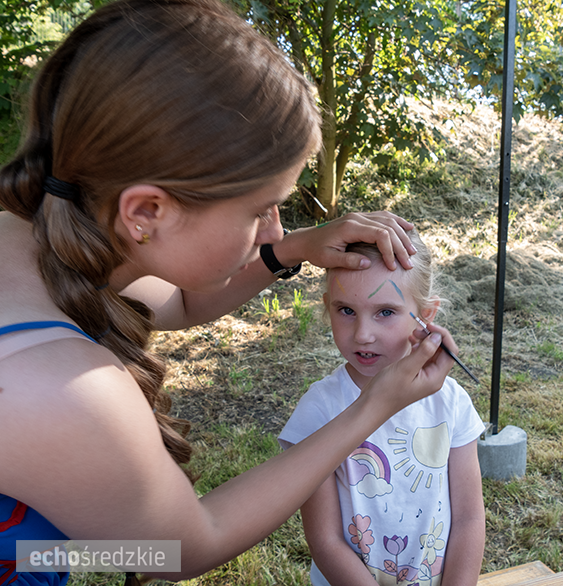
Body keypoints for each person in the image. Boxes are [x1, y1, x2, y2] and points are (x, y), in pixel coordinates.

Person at [0, 1, 459, 584]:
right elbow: (181, 550)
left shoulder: (39, 233)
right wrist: (373, 406)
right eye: (259, 210)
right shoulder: (57, 387)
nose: (274, 227)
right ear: (146, 211)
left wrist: (289, 250)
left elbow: (181, 303)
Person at [279, 231, 486, 586]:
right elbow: (325, 541)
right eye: (346, 310)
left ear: (425, 316)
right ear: (328, 305)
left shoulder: (450, 402)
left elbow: (469, 517)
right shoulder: (320, 410)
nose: (362, 334)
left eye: (385, 312)